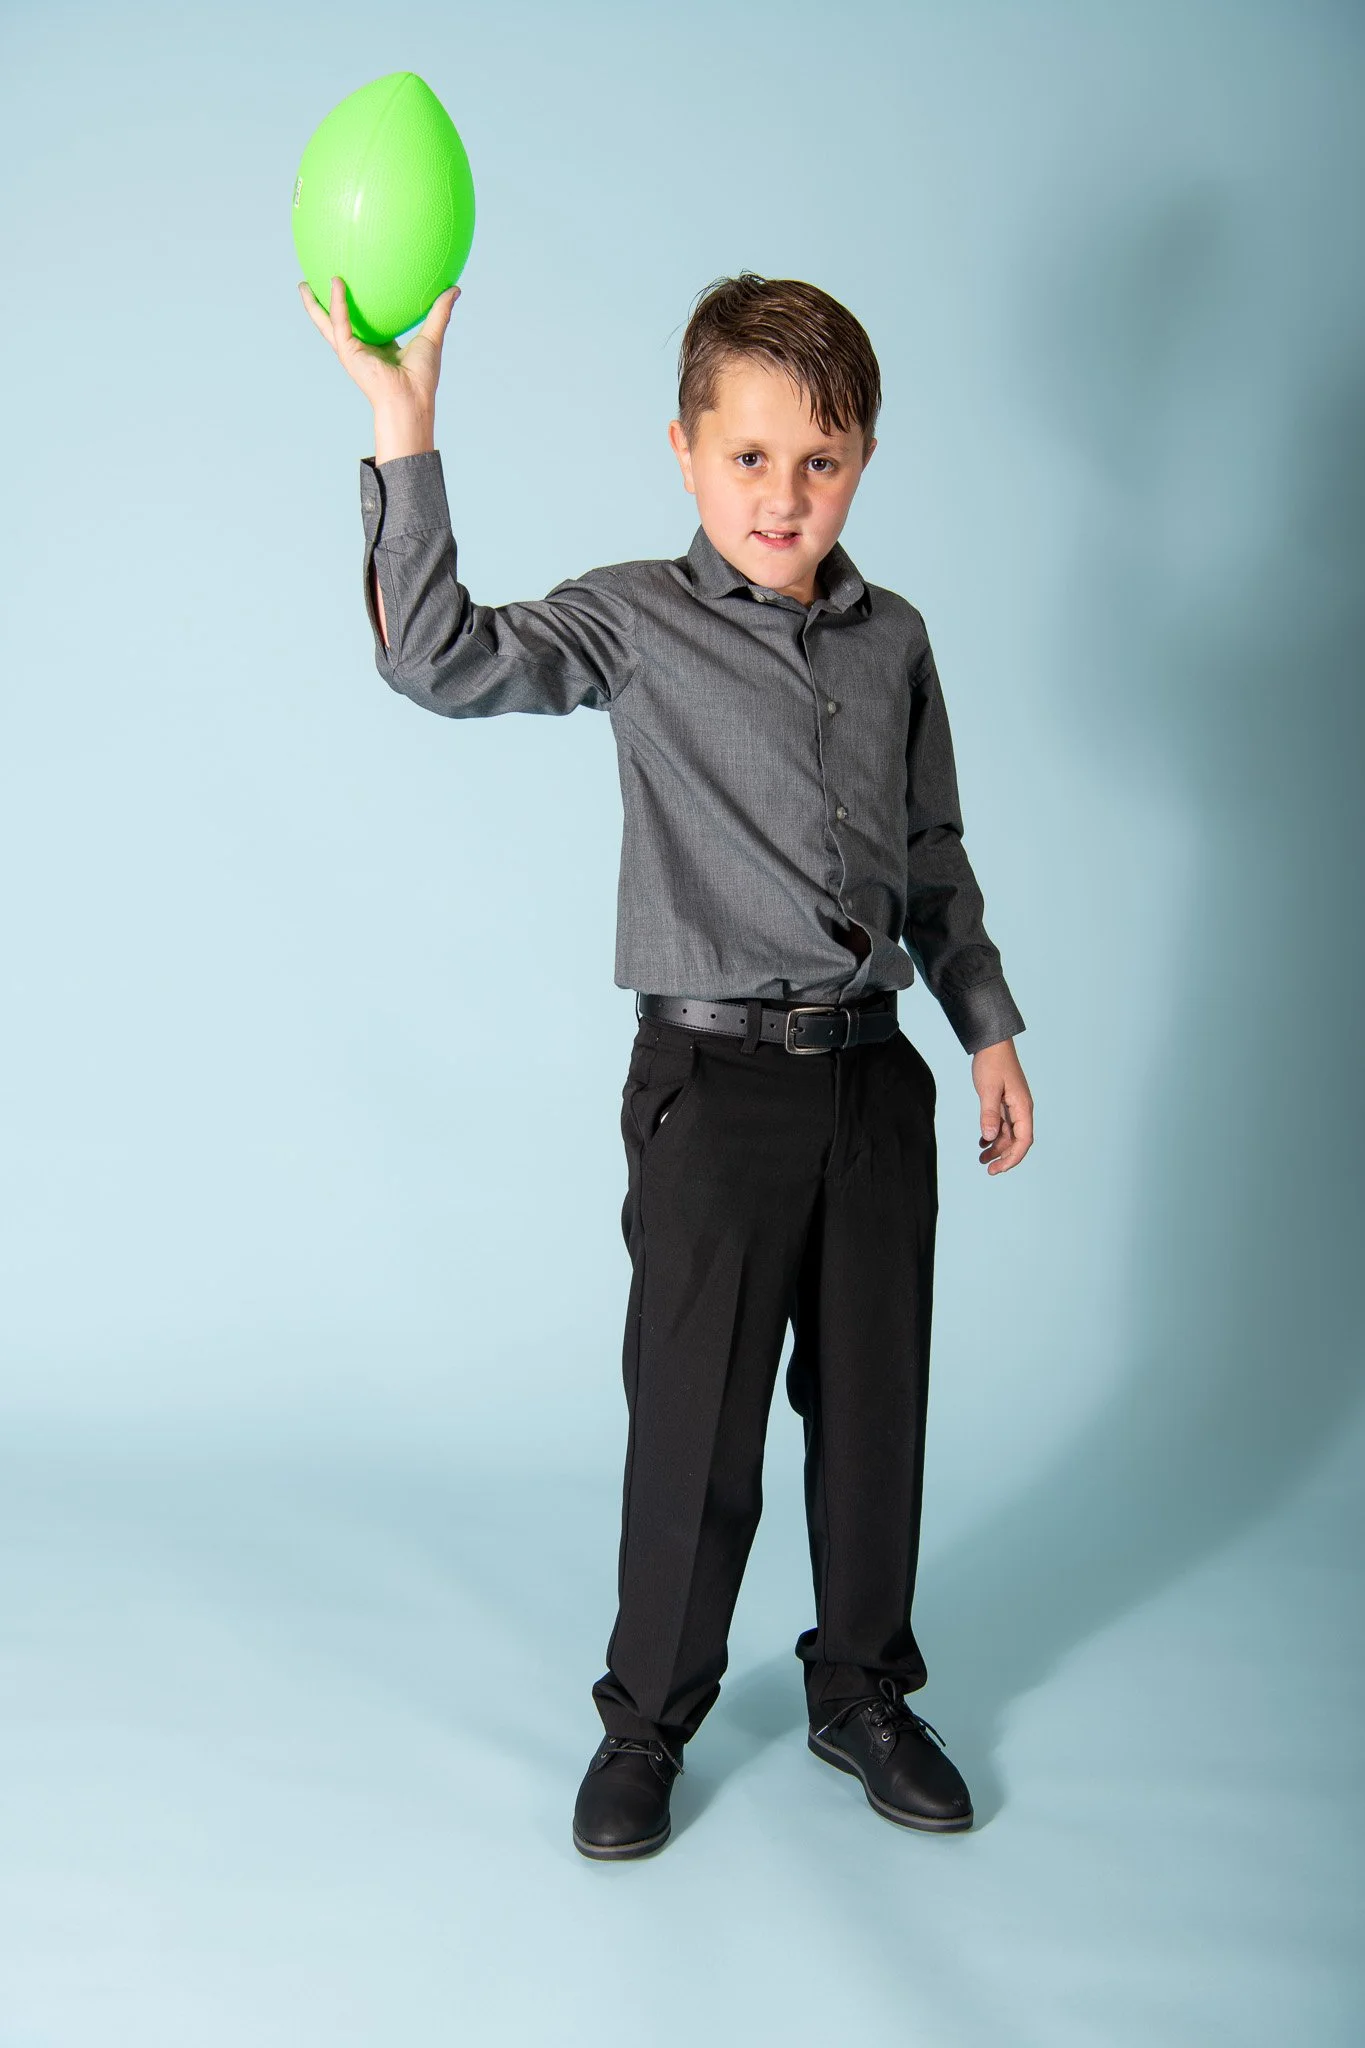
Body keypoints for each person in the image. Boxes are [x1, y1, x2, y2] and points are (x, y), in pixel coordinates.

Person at [300, 267, 1035, 1861]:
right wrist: (403, 426)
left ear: (863, 461)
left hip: (872, 1085)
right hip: (713, 1097)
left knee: (873, 1414)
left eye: (821, 460)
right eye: (752, 457)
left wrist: (984, 1026)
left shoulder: (894, 638)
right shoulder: (632, 622)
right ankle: (647, 1725)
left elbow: (933, 854)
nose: (786, 495)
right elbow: (433, 657)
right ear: (688, 453)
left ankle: (861, 1692)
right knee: (694, 1428)